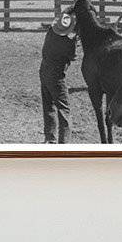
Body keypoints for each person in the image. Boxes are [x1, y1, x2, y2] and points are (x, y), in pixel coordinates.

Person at [39, 10, 77, 143]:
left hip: (44, 70)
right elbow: (73, 57)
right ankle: (64, 143)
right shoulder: (68, 43)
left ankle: (50, 139)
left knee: (48, 106)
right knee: (64, 109)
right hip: (57, 76)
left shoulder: (50, 33)